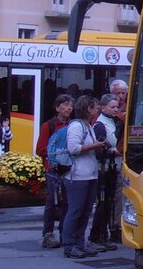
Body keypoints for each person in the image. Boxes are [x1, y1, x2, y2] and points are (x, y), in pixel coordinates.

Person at [61, 95, 108, 259]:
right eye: (95, 108)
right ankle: (69, 245)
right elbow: (73, 148)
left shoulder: (88, 125)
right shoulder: (77, 126)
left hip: (89, 174)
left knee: (86, 211)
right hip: (77, 175)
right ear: (88, 109)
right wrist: (96, 145)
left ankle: (80, 243)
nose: (97, 110)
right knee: (75, 210)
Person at [35, 94, 74, 249]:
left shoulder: (73, 125)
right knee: (52, 202)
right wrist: (58, 152)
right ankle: (48, 234)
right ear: (57, 108)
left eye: (70, 105)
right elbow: (40, 149)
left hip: (69, 169)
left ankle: (64, 232)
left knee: (67, 202)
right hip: (53, 170)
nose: (68, 108)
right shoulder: (49, 126)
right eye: (64, 105)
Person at [88, 94, 123, 251]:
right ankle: (96, 236)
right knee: (102, 204)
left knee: (109, 203)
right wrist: (113, 151)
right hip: (104, 169)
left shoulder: (115, 121)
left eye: (117, 107)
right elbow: (98, 151)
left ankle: (104, 234)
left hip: (113, 168)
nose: (116, 109)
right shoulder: (100, 125)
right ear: (102, 107)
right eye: (112, 107)